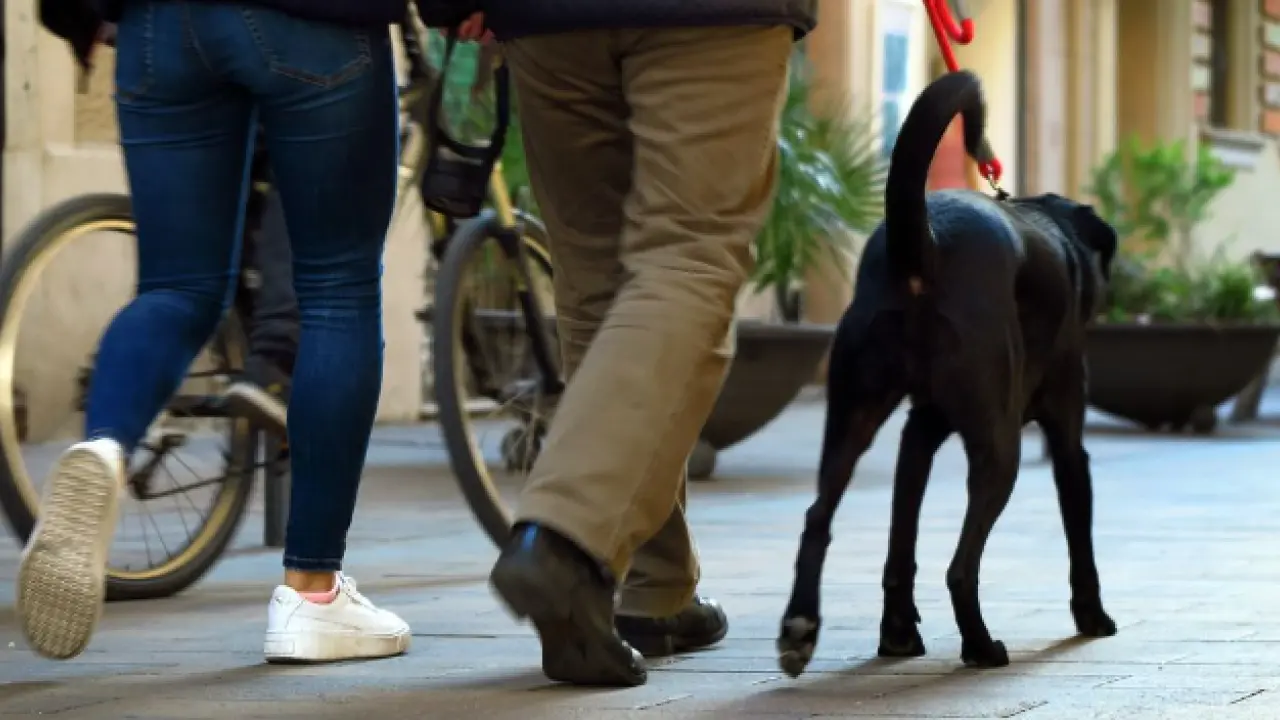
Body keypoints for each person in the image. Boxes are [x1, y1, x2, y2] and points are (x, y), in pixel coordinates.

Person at [19, 0, 413, 662]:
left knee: (175, 288)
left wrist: (80, 12)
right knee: (338, 290)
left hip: (159, 24)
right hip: (312, 23)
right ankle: (312, 595)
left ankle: (105, 448)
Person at [466, 1, 818, 687]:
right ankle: (567, 538)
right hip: (712, 15)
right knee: (689, 259)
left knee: (596, 283)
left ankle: (651, 587)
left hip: (547, 21)